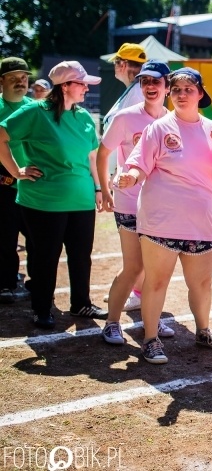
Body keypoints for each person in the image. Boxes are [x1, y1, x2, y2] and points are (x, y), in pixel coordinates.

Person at [116, 67, 212, 364]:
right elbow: (138, 164)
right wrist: (129, 178)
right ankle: (151, 339)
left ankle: (203, 331)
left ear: (200, 94)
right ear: (169, 92)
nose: (182, 95)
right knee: (156, 282)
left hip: (200, 223)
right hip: (160, 221)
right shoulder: (158, 128)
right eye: (176, 89)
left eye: (188, 89)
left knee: (202, 284)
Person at [0, 61, 109, 328]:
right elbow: (1, 134)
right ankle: (41, 308)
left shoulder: (83, 116)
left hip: (81, 199)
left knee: (81, 254)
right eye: (82, 83)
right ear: (65, 86)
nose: (86, 88)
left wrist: (97, 188)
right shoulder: (35, 111)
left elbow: (91, 156)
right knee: (46, 256)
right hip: (44, 201)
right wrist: (15, 170)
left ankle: (81, 303)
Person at [96, 60, 175, 345]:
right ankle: (111, 323)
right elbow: (103, 154)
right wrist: (105, 190)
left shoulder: (172, 119)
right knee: (134, 267)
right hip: (129, 204)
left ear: (168, 86)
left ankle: (149, 322)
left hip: (160, 208)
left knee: (154, 269)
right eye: (144, 82)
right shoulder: (126, 117)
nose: (150, 87)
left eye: (156, 82)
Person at [101, 43, 147, 311]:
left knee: (140, 248)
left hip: (135, 184)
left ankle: (138, 293)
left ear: (123, 65)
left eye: (117, 62)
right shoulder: (132, 93)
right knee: (135, 248)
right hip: (128, 181)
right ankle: (135, 289)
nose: (115, 67)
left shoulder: (137, 95)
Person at [0, 57, 34, 304]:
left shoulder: (35, 107)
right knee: (5, 238)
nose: (20, 83)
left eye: (24, 78)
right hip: (4, 185)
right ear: (1, 81)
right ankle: (5, 282)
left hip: (33, 186)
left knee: (37, 239)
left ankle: (37, 281)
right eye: (14, 78)